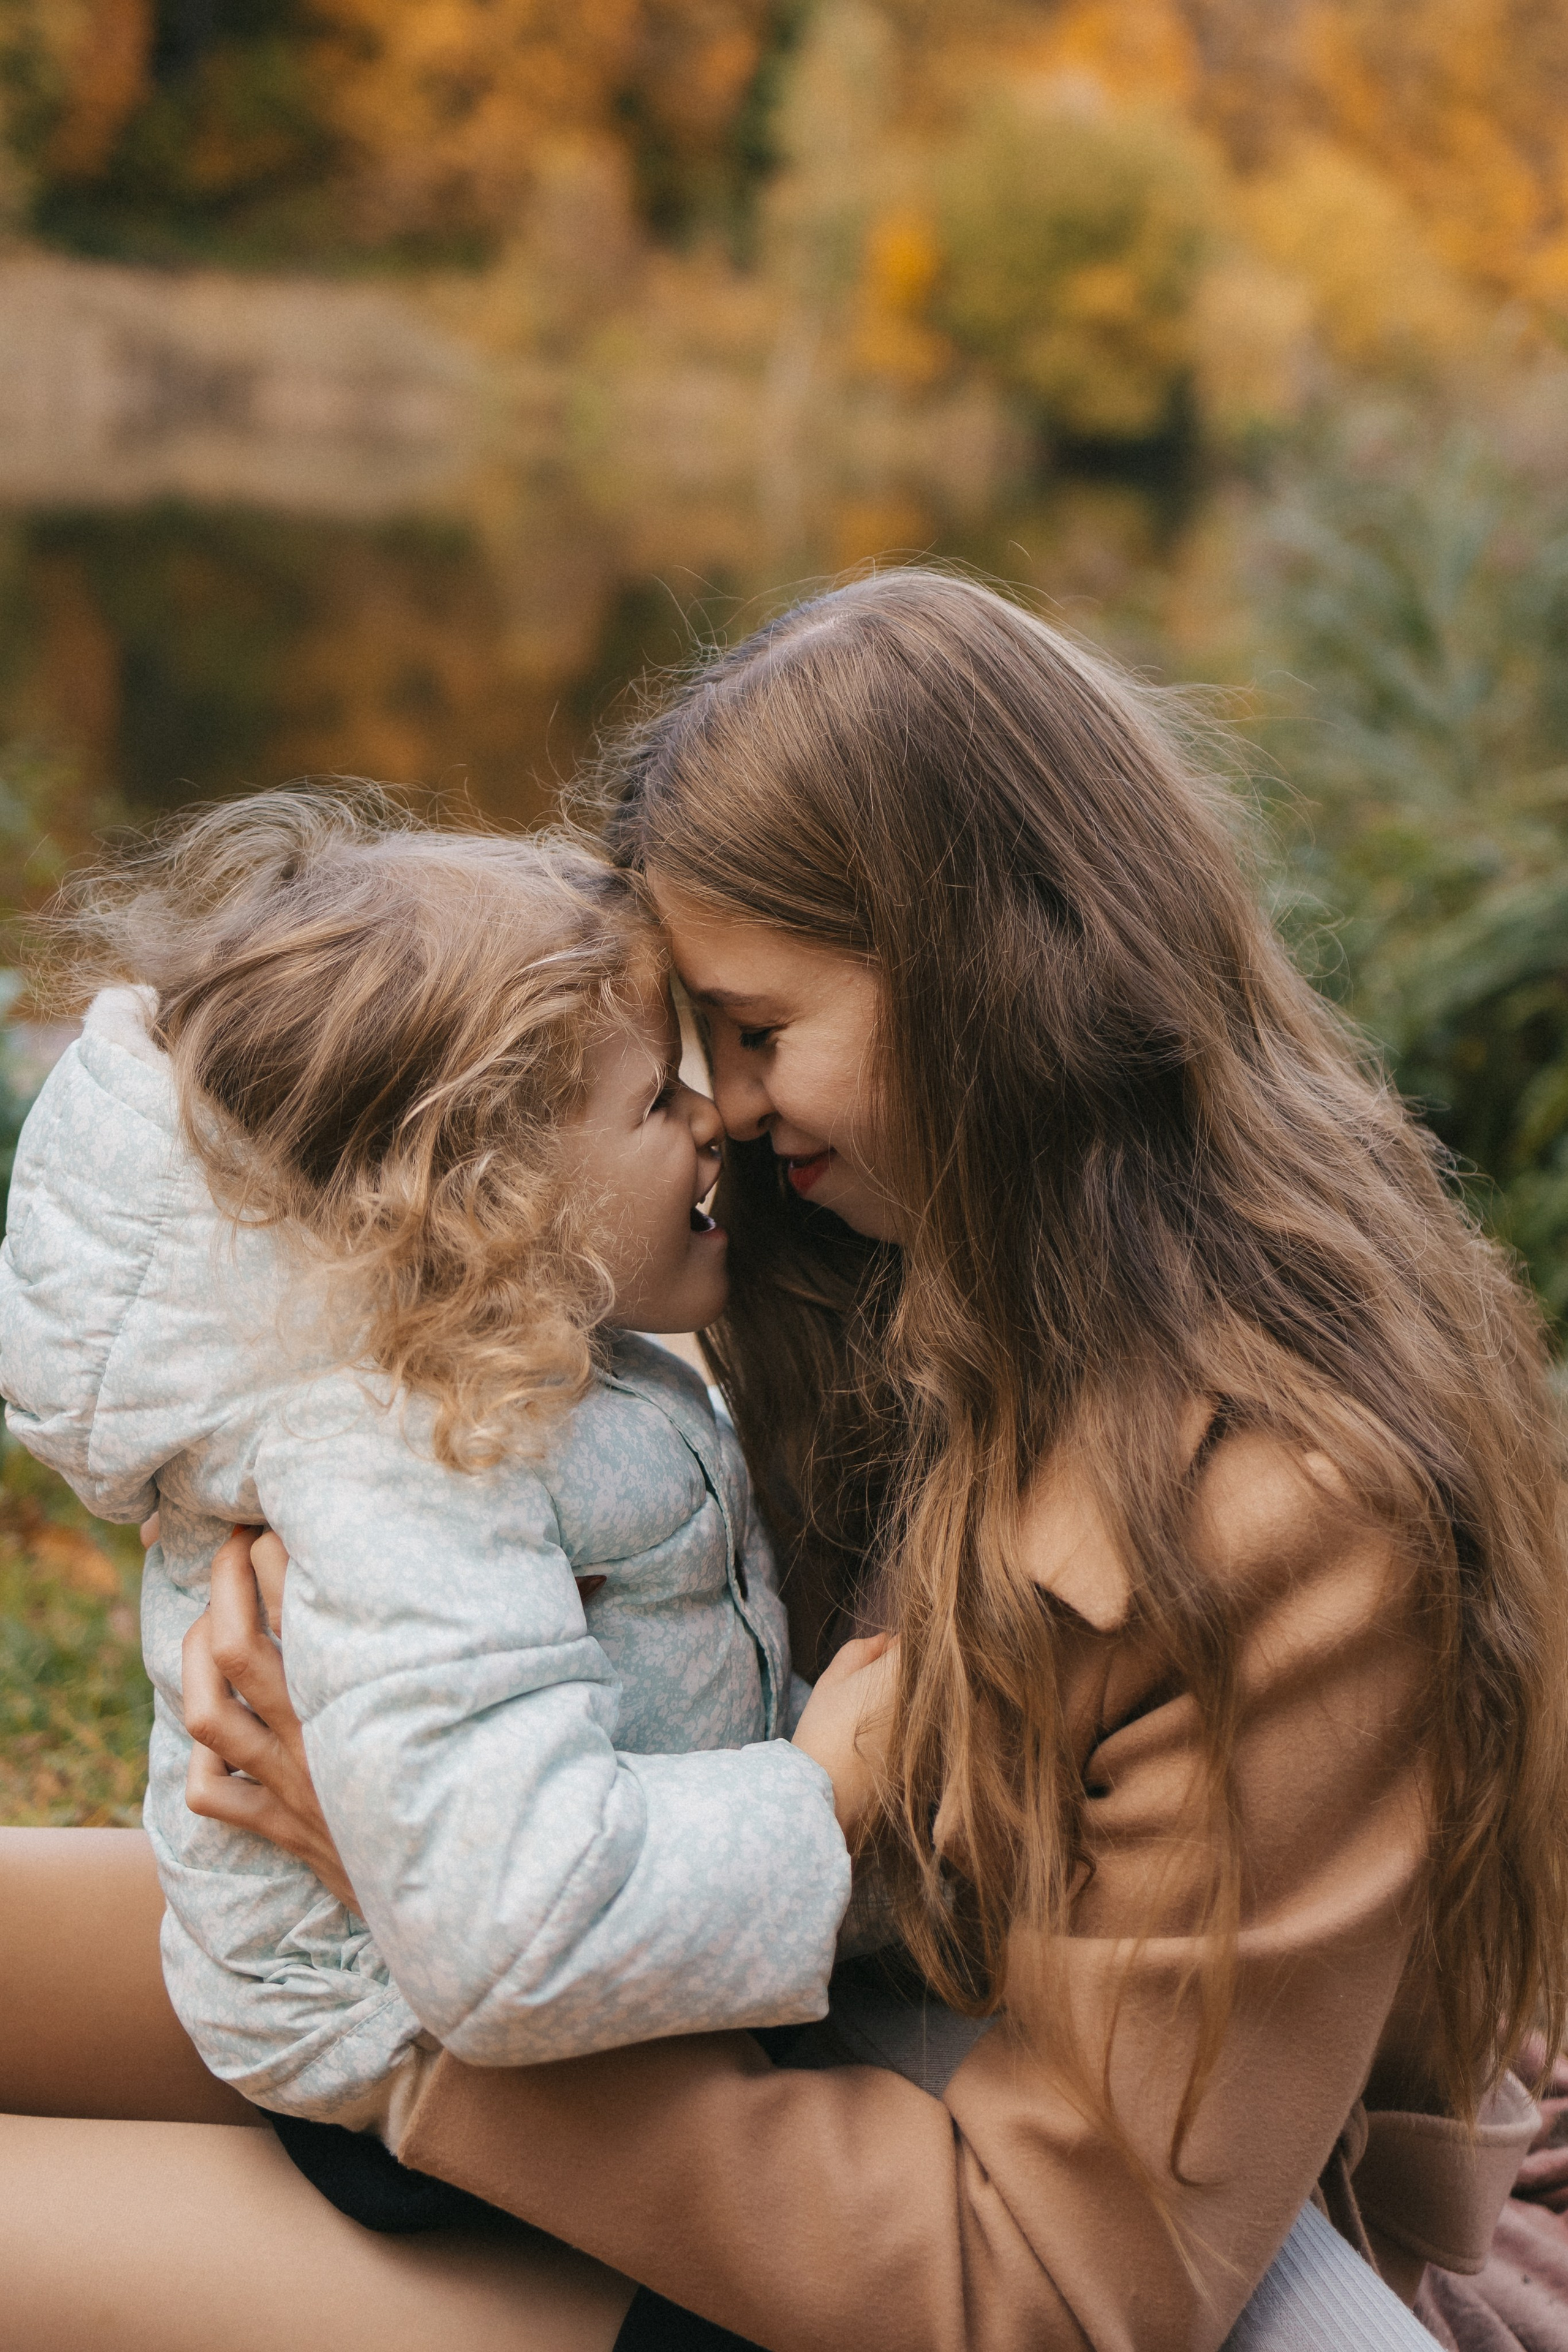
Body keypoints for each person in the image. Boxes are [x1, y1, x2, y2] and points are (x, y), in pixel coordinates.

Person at [179, 572, 1567, 2350]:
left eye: (760, 1035)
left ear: (988, 985)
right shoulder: (891, 1296)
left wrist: (421, 1964)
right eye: (702, 1053)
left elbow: (1060, 2275)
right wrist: (412, 1778)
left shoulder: (1286, 1506)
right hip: (789, 2065)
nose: (732, 1112)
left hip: (971, 2235)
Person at [0, 793, 875, 2186]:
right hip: (418, 2066)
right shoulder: (404, 1454)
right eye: (656, 1096)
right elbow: (508, 1928)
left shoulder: (505, 1372)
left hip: (526, 1984)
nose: (716, 1118)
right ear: (480, 1195)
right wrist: (823, 1800)